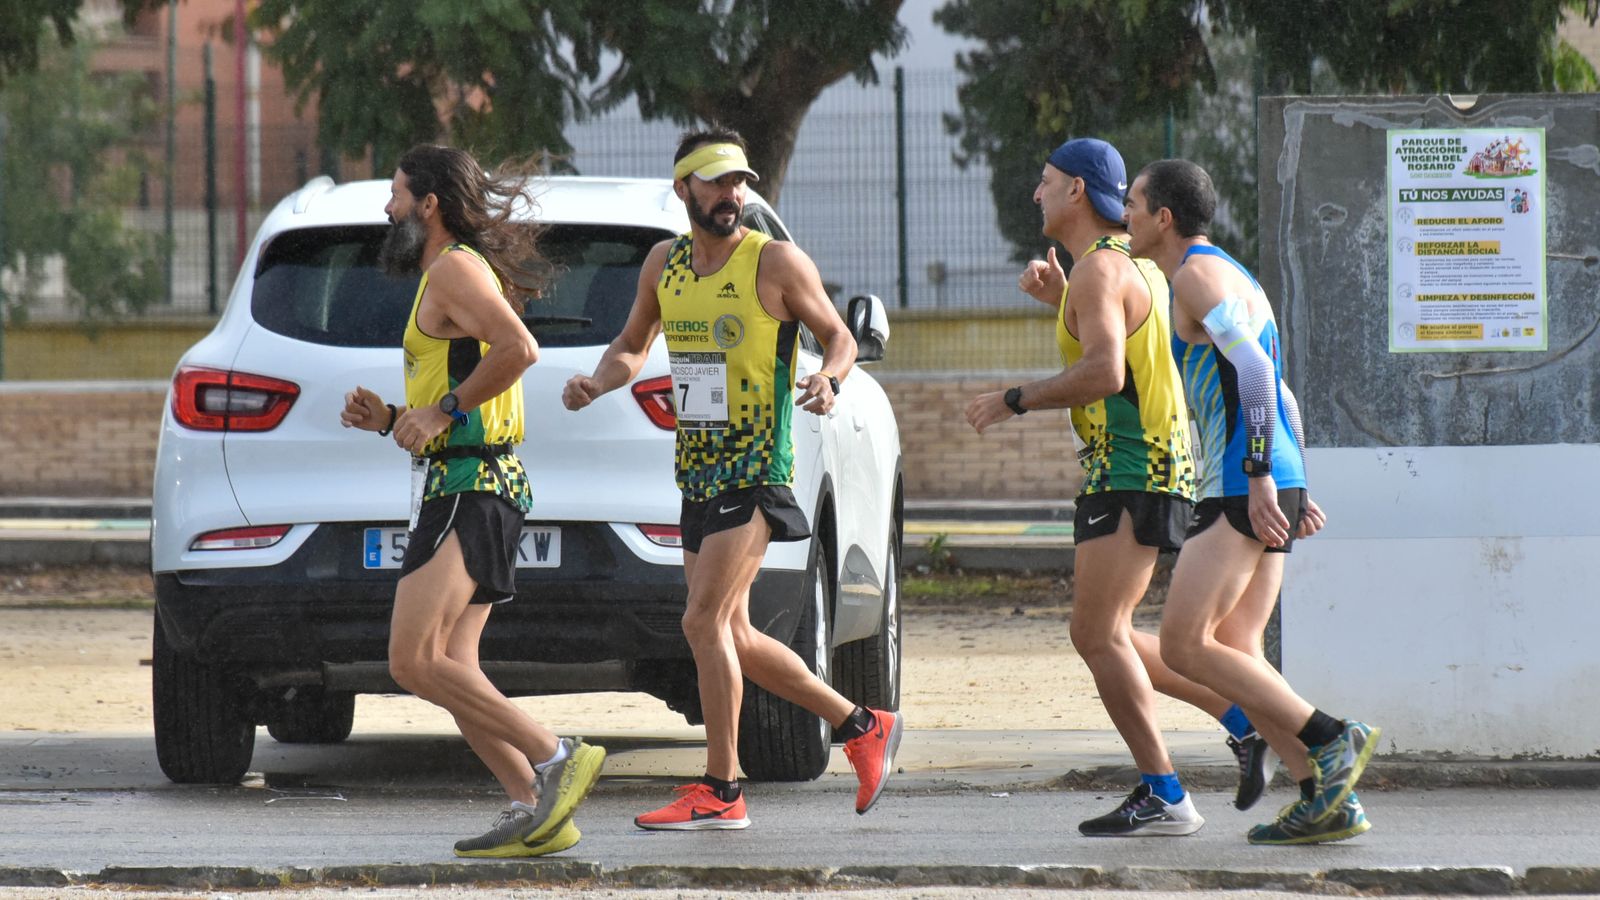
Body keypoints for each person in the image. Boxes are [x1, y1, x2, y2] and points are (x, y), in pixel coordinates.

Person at [562, 127, 902, 830]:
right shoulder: (664, 264)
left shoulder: (773, 261)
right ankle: (862, 725)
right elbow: (632, 345)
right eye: (716, 182)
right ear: (683, 187)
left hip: (756, 466)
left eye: (739, 182)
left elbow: (839, 337)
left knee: (702, 620)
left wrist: (831, 380)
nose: (732, 194)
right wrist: (597, 382)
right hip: (698, 470)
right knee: (735, 634)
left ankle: (722, 787)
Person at [339, 144, 605, 858]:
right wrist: (394, 417)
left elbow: (519, 348)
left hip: (471, 485)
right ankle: (532, 806)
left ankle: (556, 756)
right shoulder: (453, 273)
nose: (388, 207)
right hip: (473, 479)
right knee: (454, 664)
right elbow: (462, 388)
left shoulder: (454, 269)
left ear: (428, 204)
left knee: (412, 660)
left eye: (397, 194)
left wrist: (442, 411)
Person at [1123, 157, 1379, 845]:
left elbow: (1259, 372)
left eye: (1134, 205)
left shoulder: (1194, 276)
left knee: (1184, 644)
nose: (1125, 216)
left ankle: (1332, 736)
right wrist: (1296, 482)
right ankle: (1325, 797)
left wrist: (1263, 474)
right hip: (1268, 473)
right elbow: (1282, 392)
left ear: (1164, 218)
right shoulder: (1232, 273)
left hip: (1242, 479)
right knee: (1238, 646)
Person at [964, 137, 1204, 837]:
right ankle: (1244, 721)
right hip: (1143, 464)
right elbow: (1121, 340)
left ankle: (1168, 791)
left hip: (1131, 466)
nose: (1035, 193)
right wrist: (1061, 298)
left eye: (1045, 181)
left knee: (1096, 633)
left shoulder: (1100, 268)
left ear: (1075, 190)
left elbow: (1106, 372)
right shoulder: (1124, 263)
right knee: (1114, 633)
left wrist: (1014, 399)